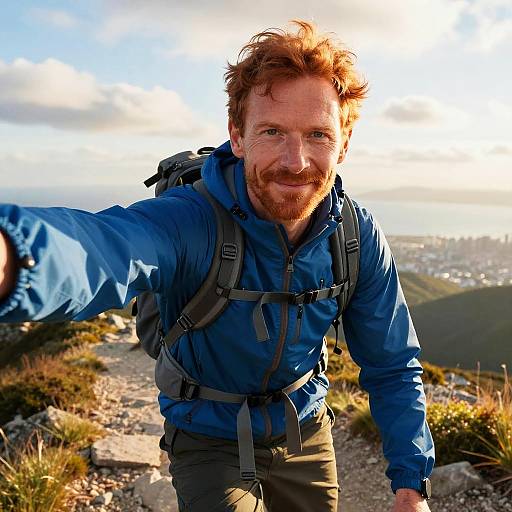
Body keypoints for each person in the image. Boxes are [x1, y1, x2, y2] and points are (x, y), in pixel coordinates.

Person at [0, 21, 434, 512]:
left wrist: (411, 480)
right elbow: (104, 247)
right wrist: (15, 254)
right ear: (238, 136)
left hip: (305, 430)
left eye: (318, 135)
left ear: (345, 143)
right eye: (272, 132)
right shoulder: (191, 219)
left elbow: (393, 362)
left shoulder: (355, 235)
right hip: (206, 434)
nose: (296, 161)